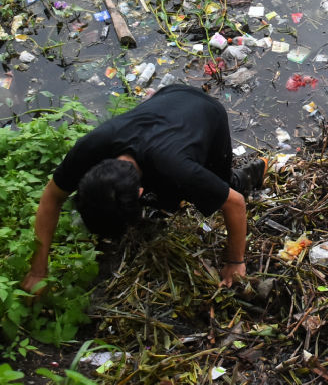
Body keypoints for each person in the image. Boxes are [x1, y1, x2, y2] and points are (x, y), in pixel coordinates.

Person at [21, 84, 266, 294]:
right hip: (166, 99)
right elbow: (52, 198)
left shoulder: (177, 169)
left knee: (220, 186)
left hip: (207, 114)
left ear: (139, 193)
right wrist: (37, 270)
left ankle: (254, 170)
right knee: (169, 196)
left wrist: (235, 261)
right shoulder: (89, 148)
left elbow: (234, 203)